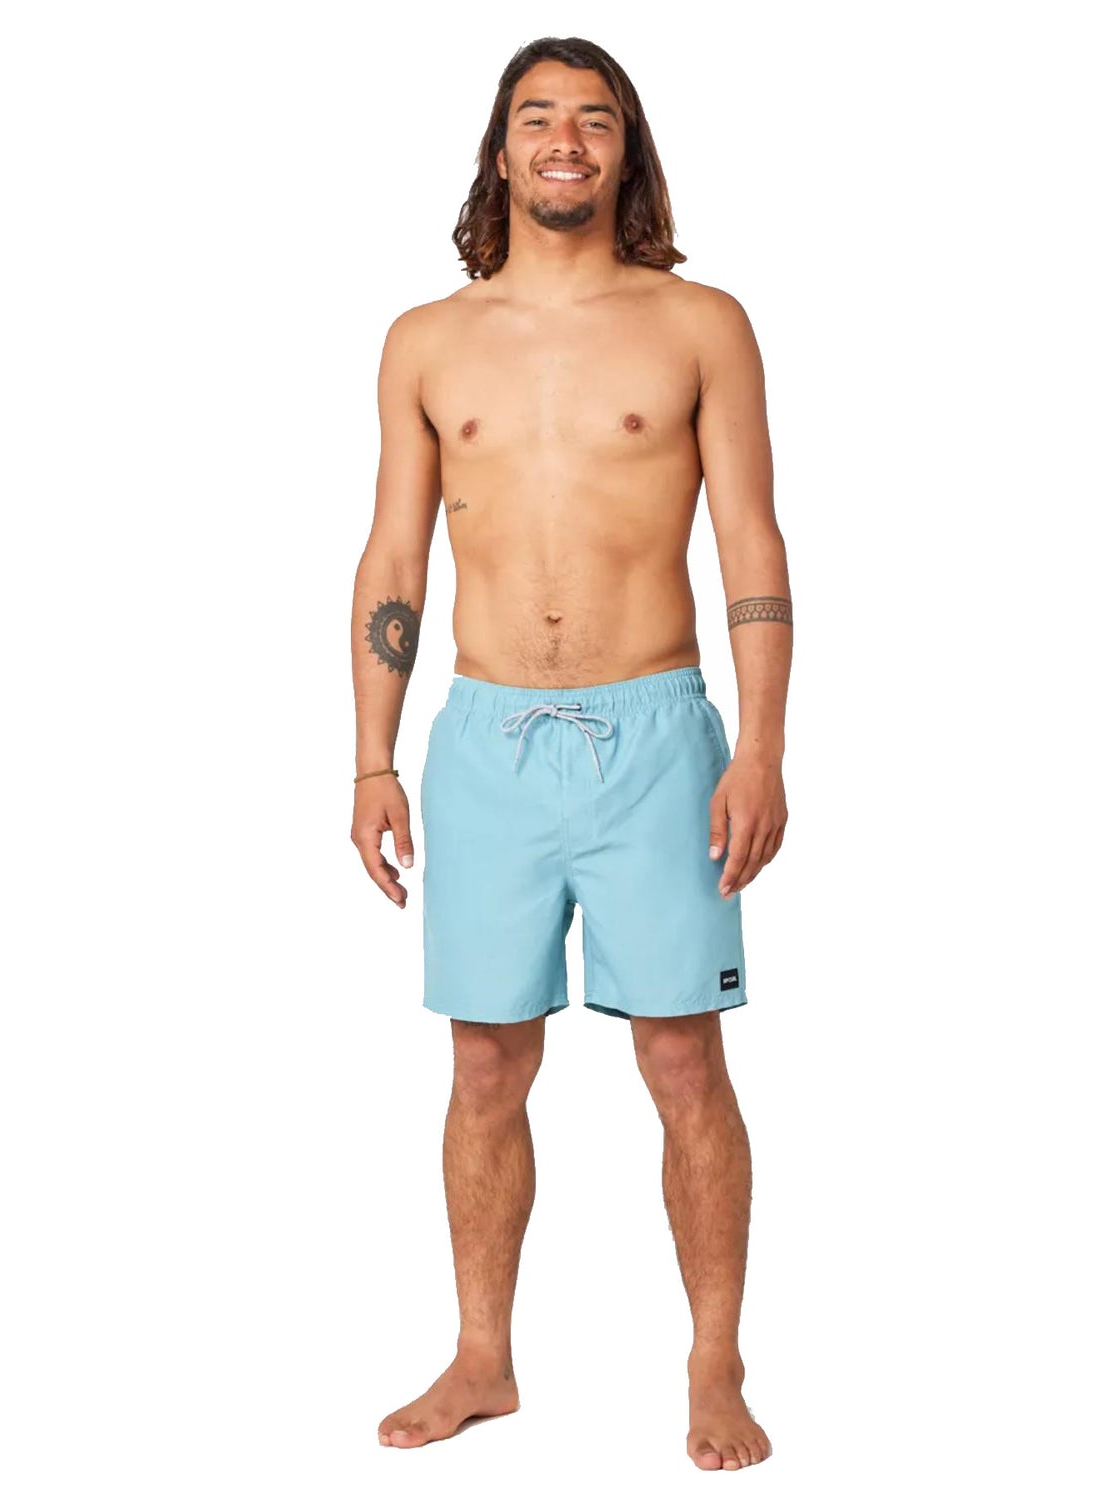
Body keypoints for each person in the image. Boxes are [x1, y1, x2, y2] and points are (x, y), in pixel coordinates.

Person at [351, 36, 791, 1473]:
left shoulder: (699, 324)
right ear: (500, 148)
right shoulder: (428, 340)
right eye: (538, 116)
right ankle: (483, 1357)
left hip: (658, 736)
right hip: (483, 740)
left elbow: (752, 545)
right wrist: (372, 758)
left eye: (593, 120)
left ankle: (715, 1364)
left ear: (625, 152)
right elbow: (393, 556)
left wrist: (762, 747)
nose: (564, 140)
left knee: (683, 1059)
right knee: (484, 1065)